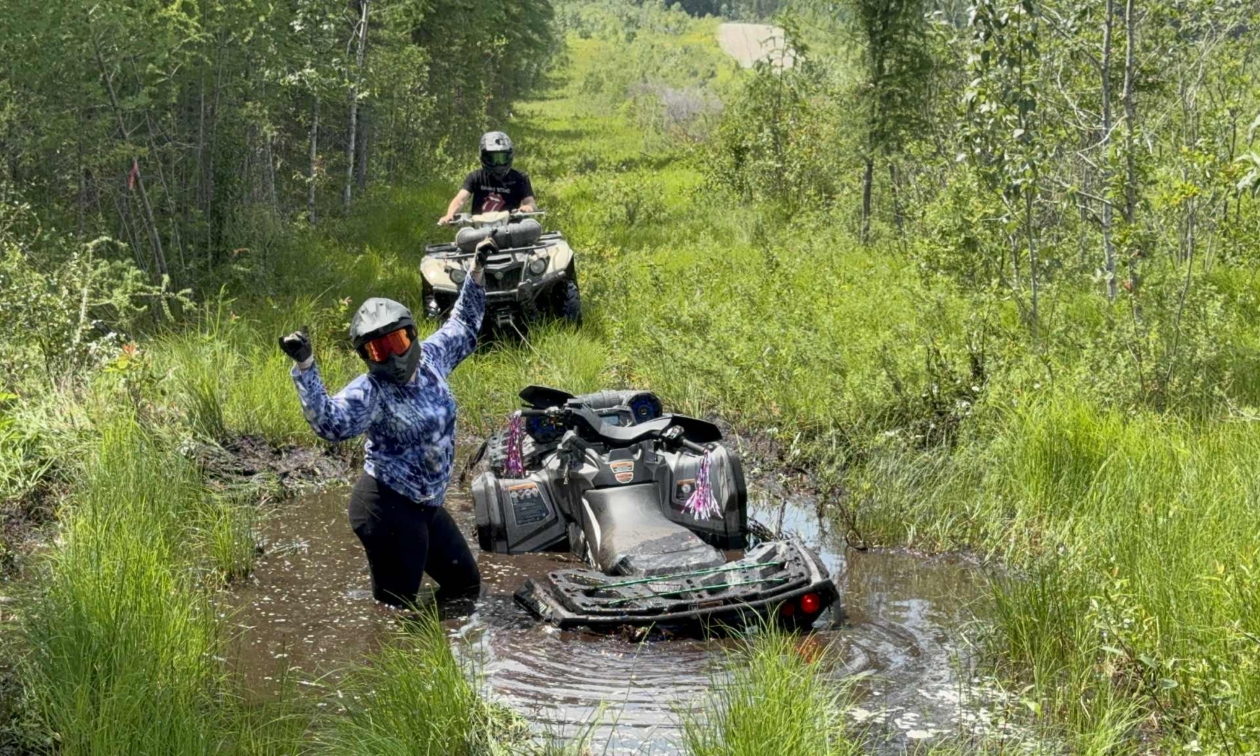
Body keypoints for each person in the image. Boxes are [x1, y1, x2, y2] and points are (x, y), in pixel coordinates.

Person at [278, 240, 491, 609]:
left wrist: (476, 271)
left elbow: (464, 324)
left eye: (397, 341)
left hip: (427, 505)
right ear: (366, 356)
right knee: (396, 611)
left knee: (465, 586)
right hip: (386, 507)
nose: (392, 358)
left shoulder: (434, 358)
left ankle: (442, 645)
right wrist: (306, 367)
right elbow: (330, 424)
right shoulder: (371, 391)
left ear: (412, 335)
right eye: (378, 350)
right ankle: (397, 663)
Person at [437, 131, 536, 225]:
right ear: (483, 156)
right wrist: (450, 214)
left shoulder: (520, 178)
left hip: (511, 229)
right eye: (493, 159)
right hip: (479, 229)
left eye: (502, 158)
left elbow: (530, 202)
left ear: (509, 156)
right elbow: (460, 199)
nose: (498, 164)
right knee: (463, 238)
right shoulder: (475, 177)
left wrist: (527, 208)